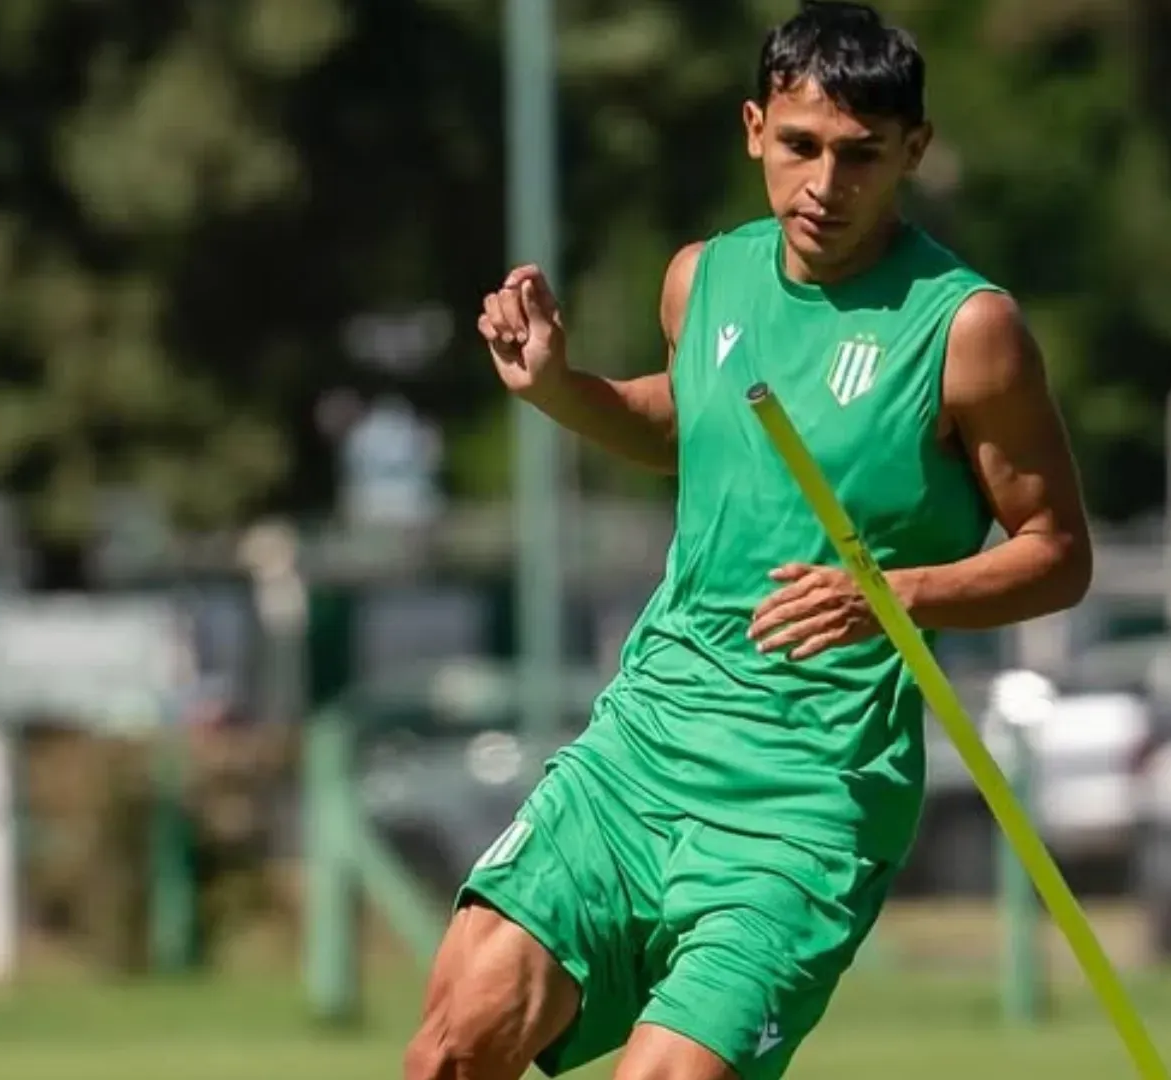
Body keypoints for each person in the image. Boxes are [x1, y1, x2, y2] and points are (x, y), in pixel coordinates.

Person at [405, 3, 1093, 1078]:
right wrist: (557, 389)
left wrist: (894, 594)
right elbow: (692, 425)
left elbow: (1057, 551)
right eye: (800, 147)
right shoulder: (702, 278)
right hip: (643, 749)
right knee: (453, 1048)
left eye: (862, 155)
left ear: (912, 150)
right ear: (754, 129)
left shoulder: (967, 330)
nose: (825, 184)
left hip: (808, 798)